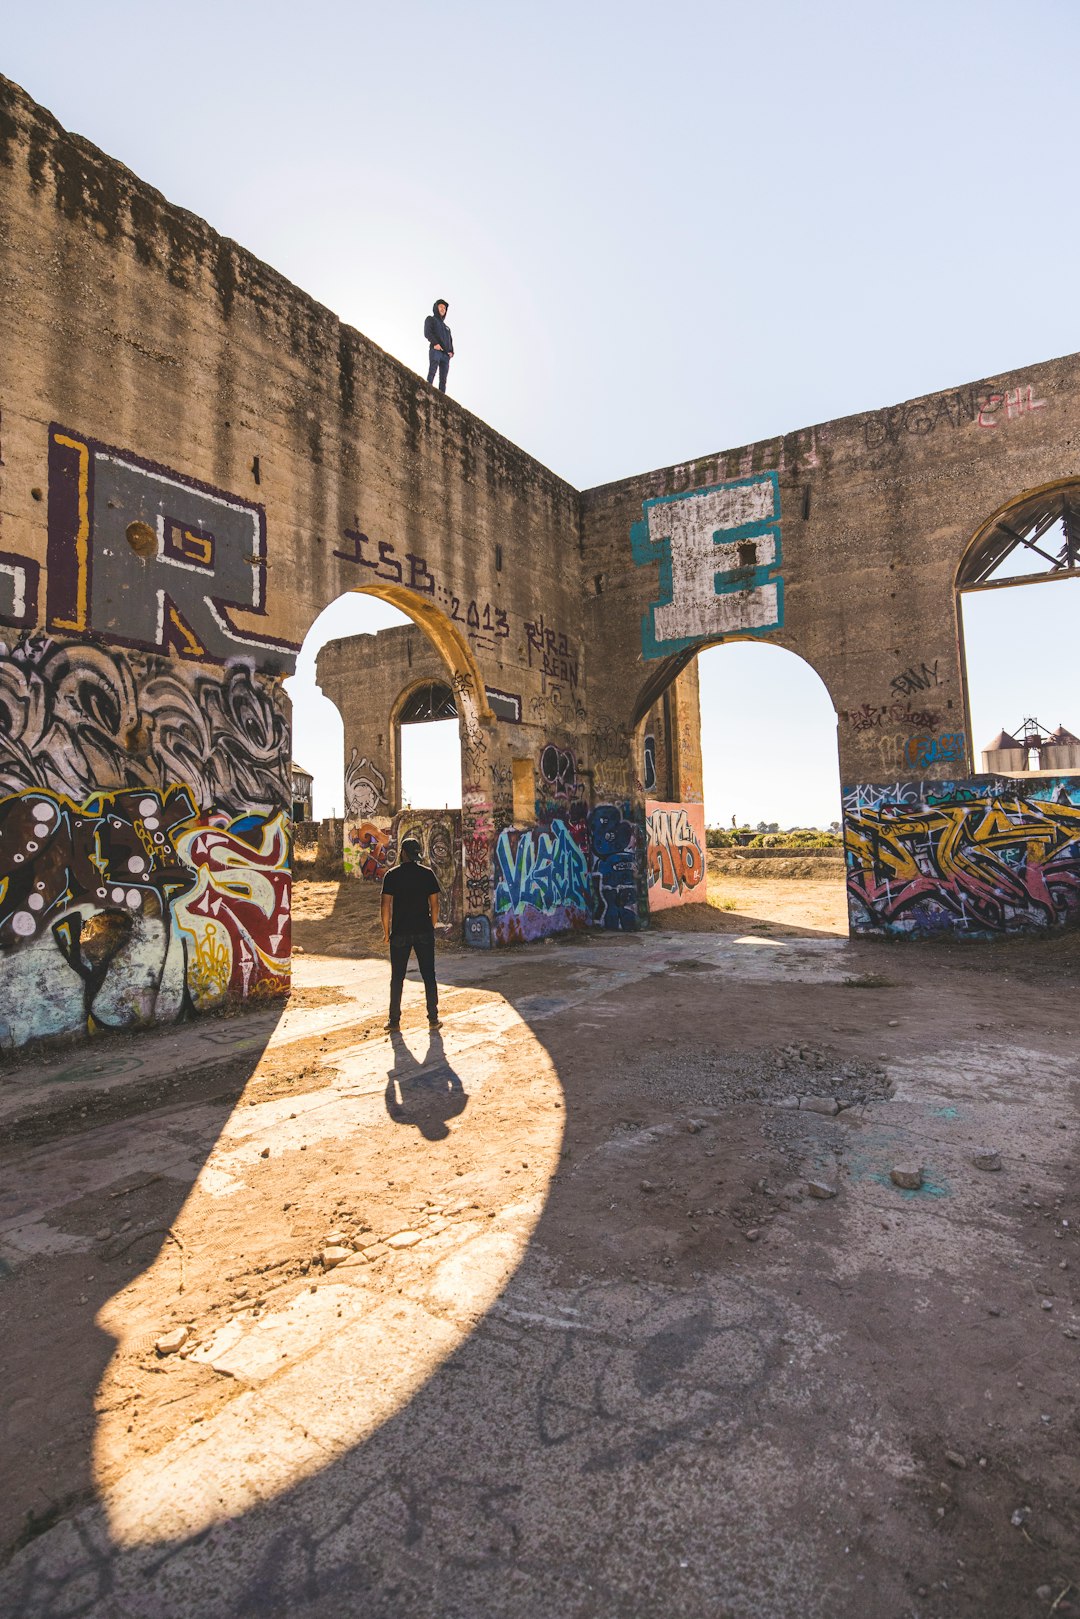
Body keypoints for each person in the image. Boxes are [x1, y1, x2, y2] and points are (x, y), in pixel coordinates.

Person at [381, 837, 442, 1031]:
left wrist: (386, 932)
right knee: (429, 975)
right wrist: (431, 925)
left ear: (403, 853)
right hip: (424, 931)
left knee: (397, 977)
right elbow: (435, 904)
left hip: (400, 933)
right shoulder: (427, 874)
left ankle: (394, 1022)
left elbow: (385, 906)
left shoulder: (392, 875)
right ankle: (433, 1019)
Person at [424, 299, 454, 393]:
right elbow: (427, 332)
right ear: (436, 307)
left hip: (445, 355)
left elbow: (450, 341)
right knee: (432, 371)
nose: (443, 309)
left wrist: (452, 352)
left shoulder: (447, 328)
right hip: (436, 350)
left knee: (443, 379)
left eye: (444, 308)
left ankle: (441, 397)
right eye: (441, 306)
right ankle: (427, 389)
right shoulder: (431, 319)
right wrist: (435, 344)